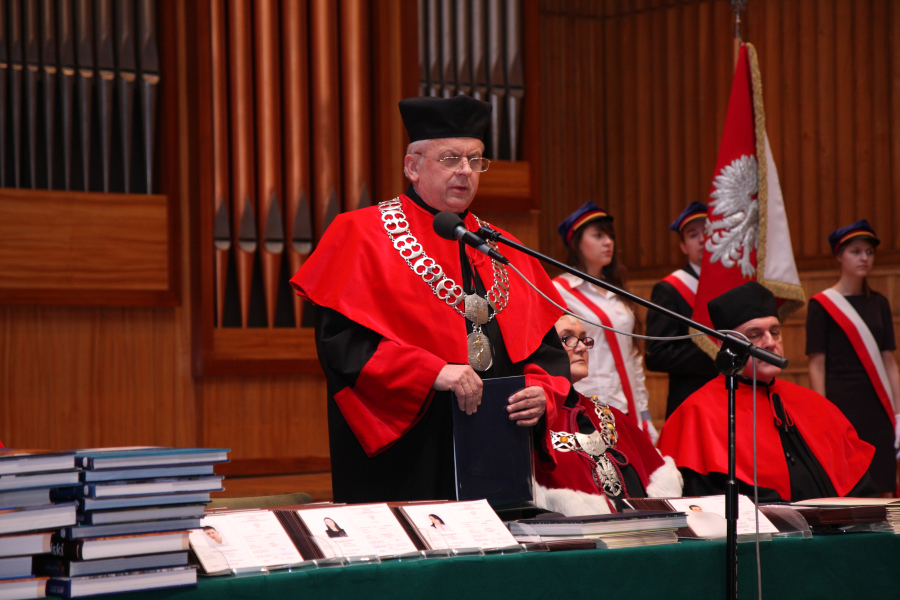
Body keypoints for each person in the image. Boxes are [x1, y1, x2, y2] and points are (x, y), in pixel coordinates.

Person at [289, 95, 570, 503]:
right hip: (408, 455)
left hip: (496, 449)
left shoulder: (505, 249)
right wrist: (431, 372)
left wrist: (543, 392)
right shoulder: (360, 234)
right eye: (450, 158)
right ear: (413, 166)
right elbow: (343, 348)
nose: (465, 170)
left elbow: (547, 352)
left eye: (475, 160)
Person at [658, 281, 876, 502]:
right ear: (728, 345)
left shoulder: (815, 403)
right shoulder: (698, 411)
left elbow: (860, 490)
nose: (770, 343)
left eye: (775, 332)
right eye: (755, 335)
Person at [533, 315, 682, 516]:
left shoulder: (612, 415)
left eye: (583, 338)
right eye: (567, 338)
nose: (582, 347)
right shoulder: (531, 423)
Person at [806, 220, 900, 494]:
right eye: (856, 251)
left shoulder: (879, 303)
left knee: (882, 481)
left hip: (877, 405)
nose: (864, 258)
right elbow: (816, 365)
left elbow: (889, 361)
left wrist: (898, 414)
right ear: (839, 256)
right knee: (847, 482)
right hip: (841, 403)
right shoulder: (821, 305)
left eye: (869, 252)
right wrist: (823, 415)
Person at [552, 203, 657, 442]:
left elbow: (633, 356)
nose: (608, 242)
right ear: (576, 242)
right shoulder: (558, 291)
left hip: (626, 403)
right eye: (598, 235)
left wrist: (644, 412)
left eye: (610, 236)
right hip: (588, 401)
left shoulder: (617, 292)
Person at [645, 201, 718, 418]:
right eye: (693, 235)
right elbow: (657, 355)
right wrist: (715, 351)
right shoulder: (669, 289)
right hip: (690, 402)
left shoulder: (734, 284)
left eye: (707, 231)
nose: (702, 239)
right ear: (683, 247)